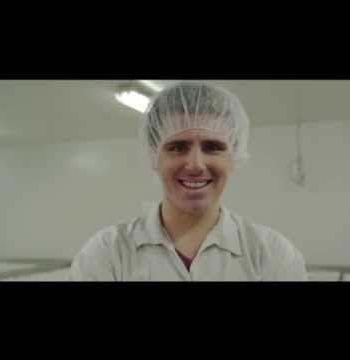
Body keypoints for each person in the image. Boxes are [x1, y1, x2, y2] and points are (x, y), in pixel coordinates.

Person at [70, 82, 307, 281]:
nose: (195, 164)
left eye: (212, 147)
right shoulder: (106, 254)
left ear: (233, 156)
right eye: (178, 147)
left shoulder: (273, 255)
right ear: (155, 155)